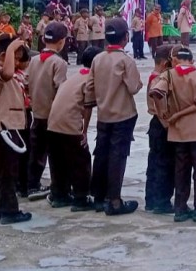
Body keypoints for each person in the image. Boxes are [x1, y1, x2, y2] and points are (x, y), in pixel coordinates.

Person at [150, 47, 196, 222]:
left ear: (175, 60)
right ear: (191, 60)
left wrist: (165, 113)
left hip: (178, 131)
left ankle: (180, 208)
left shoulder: (168, 75)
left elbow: (155, 92)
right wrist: (180, 114)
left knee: (181, 170)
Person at [87, 17, 143, 215]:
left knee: (101, 154)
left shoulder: (98, 59)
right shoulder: (125, 60)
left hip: (103, 114)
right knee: (117, 156)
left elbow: (89, 87)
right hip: (122, 114)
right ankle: (115, 201)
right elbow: (134, 87)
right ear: (125, 37)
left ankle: (98, 197)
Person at [0, 35, 33, 225]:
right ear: (3, 55)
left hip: (11, 125)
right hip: (3, 126)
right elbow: (7, 74)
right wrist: (12, 48)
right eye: (15, 58)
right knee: (7, 171)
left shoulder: (13, 71)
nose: (18, 62)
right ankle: (10, 211)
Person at [47, 45, 99, 212]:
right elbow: (88, 107)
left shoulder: (75, 76)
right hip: (70, 124)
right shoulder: (90, 79)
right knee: (80, 160)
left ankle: (59, 195)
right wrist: (84, 132)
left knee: (58, 161)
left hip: (53, 123)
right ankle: (80, 198)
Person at [25, 21, 69, 200]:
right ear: (62, 41)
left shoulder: (34, 60)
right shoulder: (59, 63)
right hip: (53, 115)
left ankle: (32, 184)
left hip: (37, 113)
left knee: (37, 150)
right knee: (56, 153)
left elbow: (26, 83)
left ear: (43, 39)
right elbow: (61, 90)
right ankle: (57, 187)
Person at [144, 44, 176, 214]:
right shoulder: (159, 80)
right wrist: (167, 124)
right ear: (166, 63)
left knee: (155, 163)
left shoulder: (155, 76)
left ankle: (151, 199)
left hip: (156, 124)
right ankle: (162, 201)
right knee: (165, 163)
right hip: (162, 123)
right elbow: (160, 106)